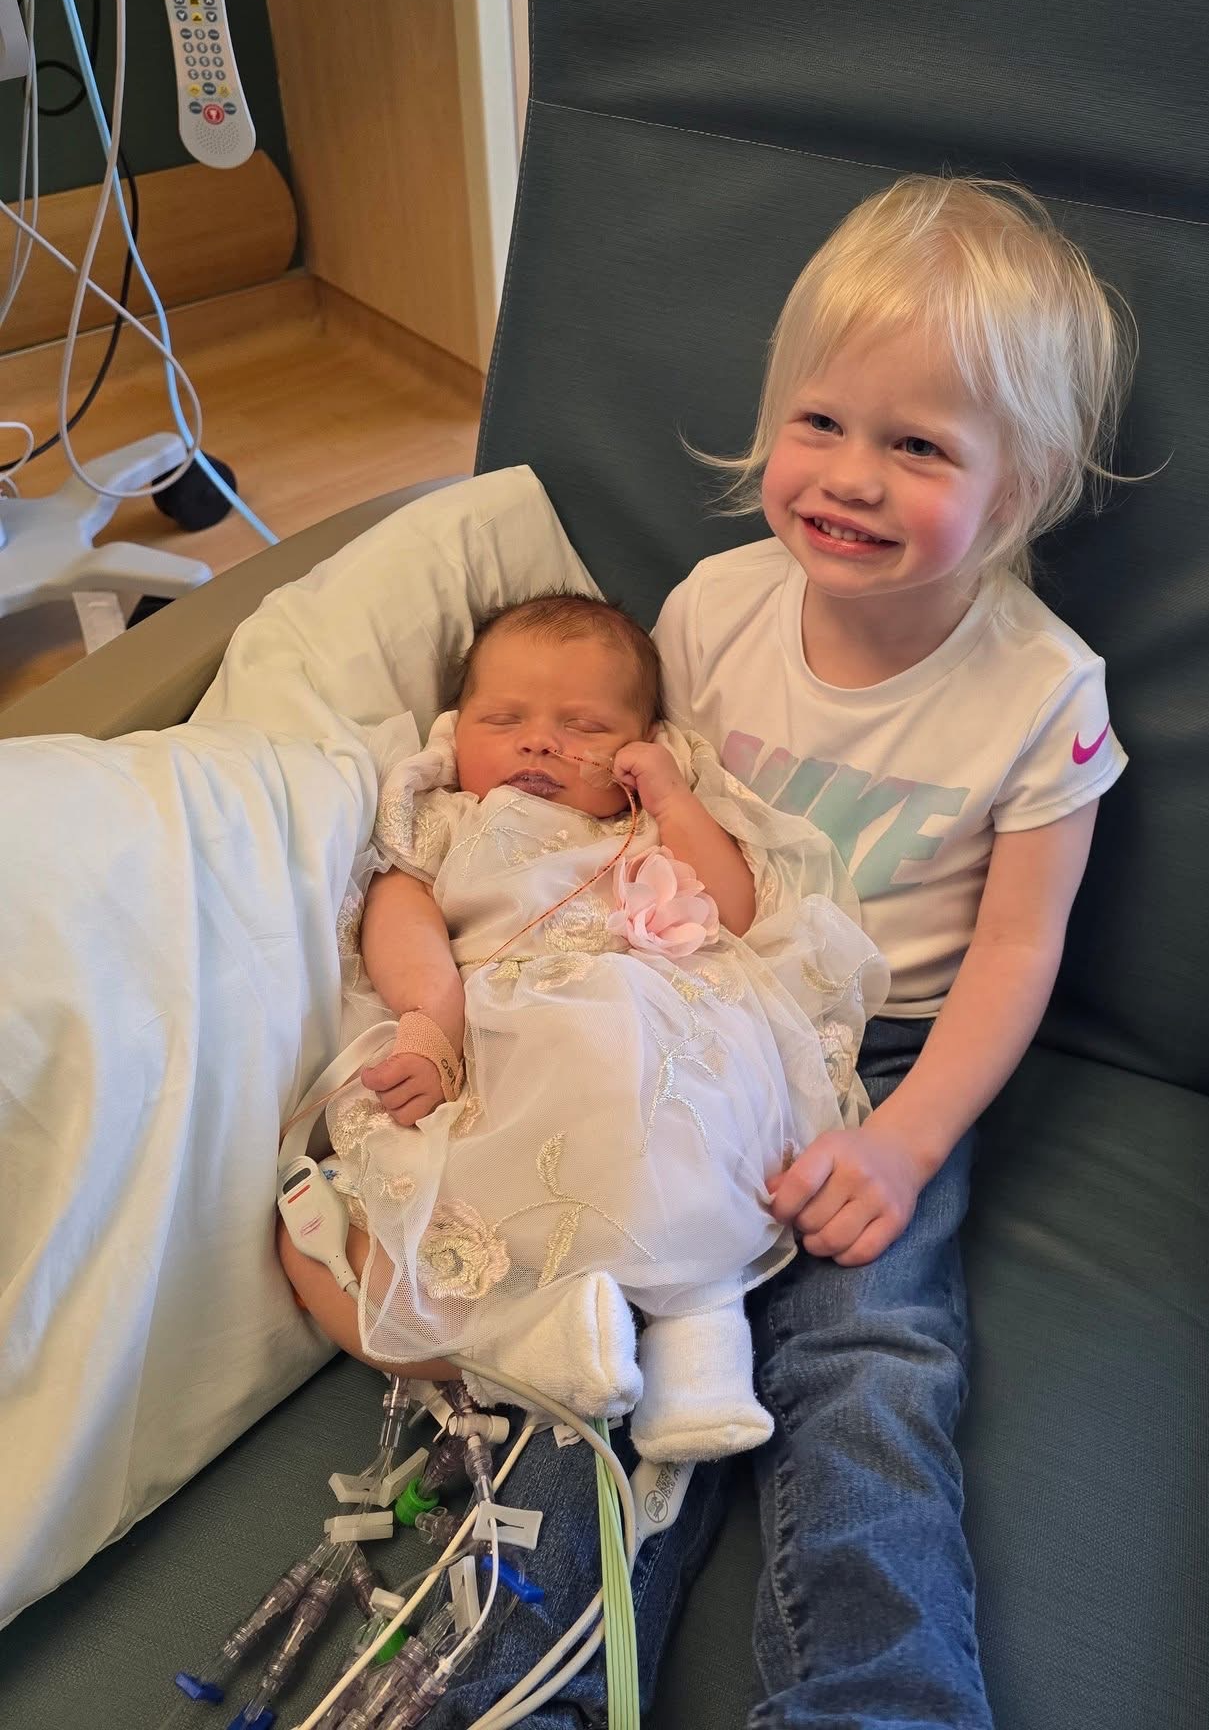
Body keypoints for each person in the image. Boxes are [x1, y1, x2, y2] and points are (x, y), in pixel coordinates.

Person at [435, 174, 1133, 1730]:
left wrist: (902, 1144)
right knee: (582, 1346)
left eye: (920, 447)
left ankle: (877, 1699)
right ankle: (520, 1692)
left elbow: (1018, 954)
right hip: (693, 1011)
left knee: (872, 1371)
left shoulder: (1045, 694)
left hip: (880, 1062)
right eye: (820, 423)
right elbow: (638, 814)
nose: (849, 478)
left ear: (1018, 488)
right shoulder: (713, 609)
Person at [279, 593, 885, 1465]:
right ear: (455, 732)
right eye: (504, 720)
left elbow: (737, 911)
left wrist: (671, 798)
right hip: (496, 1050)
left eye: (584, 727)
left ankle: (699, 1334)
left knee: (658, 1093)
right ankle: (538, 1343)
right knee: (328, 1241)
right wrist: (431, 1025)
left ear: (644, 745)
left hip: (669, 1038)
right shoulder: (450, 821)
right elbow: (401, 918)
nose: (539, 742)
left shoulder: (647, 822)